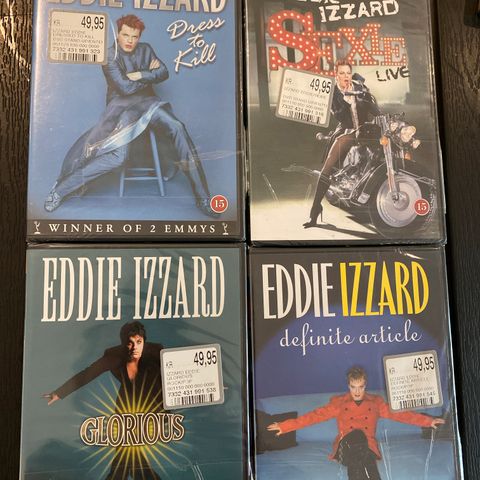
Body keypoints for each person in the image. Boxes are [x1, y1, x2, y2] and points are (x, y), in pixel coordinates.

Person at [44, 14, 215, 217]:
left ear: (139, 37)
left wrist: (140, 74)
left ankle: (203, 197)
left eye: (134, 36)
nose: (129, 41)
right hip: (121, 109)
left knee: (177, 126)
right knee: (117, 158)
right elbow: (125, 88)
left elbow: (164, 72)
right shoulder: (109, 56)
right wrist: (150, 75)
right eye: (125, 35)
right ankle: (60, 191)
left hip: (149, 104)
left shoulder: (146, 49)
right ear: (118, 34)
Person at [267, 366, 445, 480]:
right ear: (349, 386)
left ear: (365, 385)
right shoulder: (339, 403)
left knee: (364, 456)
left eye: (361, 386)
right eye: (353, 387)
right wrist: (285, 426)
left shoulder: (375, 403)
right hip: (345, 448)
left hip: (367, 449)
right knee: (358, 435)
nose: (357, 391)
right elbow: (314, 416)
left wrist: (428, 421)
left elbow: (401, 415)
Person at [43, 321, 164, 479]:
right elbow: (88, 373)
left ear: (144, 341)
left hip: (152, 406)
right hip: (126, 405)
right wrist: (58, 393)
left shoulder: (156, 352)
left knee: (128, 451)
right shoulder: (114, 356)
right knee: (127, 448)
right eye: (130, 343)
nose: (135, 347)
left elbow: (176, 372)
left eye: (139, 342)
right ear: (124, 344)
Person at [303, 60, 381, 228]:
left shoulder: (361, 88)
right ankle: (315, 209)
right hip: (346, 128)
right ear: (336, 75)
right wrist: (348, 101)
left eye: (348, 73)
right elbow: (339, 116)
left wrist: (366, 101)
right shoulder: (333, 94)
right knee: (328, 166)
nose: (346, 76)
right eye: (342, 73)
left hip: (365, 129)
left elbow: (376, 111)